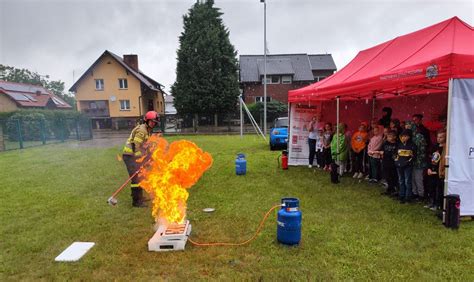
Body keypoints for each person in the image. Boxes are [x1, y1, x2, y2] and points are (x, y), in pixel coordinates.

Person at [122, 111, 160, 207]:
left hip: (135, 156)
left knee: (140, 176)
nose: (153, 124)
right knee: (136, 179)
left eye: (155, 122)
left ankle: (139, 197)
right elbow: (136, 146)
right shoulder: (142, 130)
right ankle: (136, 201)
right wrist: (140, 159)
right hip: (130, 156)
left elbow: (144, 145)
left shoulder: (147, 129)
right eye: (152, 122)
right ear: (146, 121)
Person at [405, 121, 428, 201]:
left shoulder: (419, 137)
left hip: (419, 162)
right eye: (406, 127)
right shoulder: (408, 138)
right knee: (412, 178)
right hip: (410, 161)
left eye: (409, 127)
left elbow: (423, 150)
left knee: (418, 178)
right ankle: (415, 193)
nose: (407, 129)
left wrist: (419, 160)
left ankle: (421, 195)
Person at [394, 129, 417, 204]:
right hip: (399, 166)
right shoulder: (399, 144)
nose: (404, 138)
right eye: (402, 136)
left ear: (409, 137)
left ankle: (408, 197)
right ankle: (401, 195)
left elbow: (413, 157)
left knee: (407, 181)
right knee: (401, 181)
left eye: (405, 136)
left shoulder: (413, 145)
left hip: (407, 166)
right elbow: (395, 155)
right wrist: (396, 162)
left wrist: (407, 163)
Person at [426, 129, 447, 210]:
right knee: (431, 187)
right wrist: (428, 168)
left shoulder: (446, 148)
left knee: (439, 189)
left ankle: (437, 205)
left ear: (445, 137)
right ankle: (431, 202)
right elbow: (430, 158)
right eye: (438, 137)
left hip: (439, 173)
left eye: (441, 137)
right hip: (432, 171)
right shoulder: (434, 147)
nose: (439, 139)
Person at [378, 130, 398, 196]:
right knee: (387, 176)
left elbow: (395, 154)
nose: (388, 138)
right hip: (385, 162)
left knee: (393, 176)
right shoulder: (385, 143)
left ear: (394, 137)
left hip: (393, 164)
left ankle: (394, 190)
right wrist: (381, 153)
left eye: (390, 137)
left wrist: (385, 153)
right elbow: (381, 149)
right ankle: (389, 189)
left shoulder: (397, 144)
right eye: (388, 137)